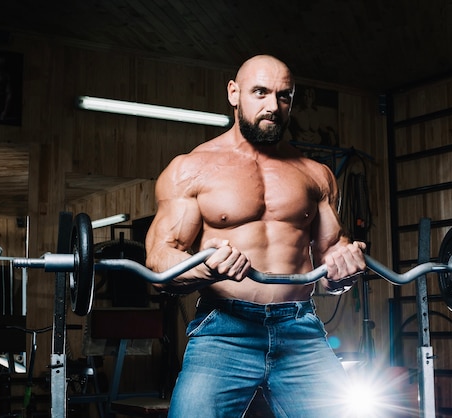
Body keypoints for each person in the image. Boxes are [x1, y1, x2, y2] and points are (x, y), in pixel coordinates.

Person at [145, 54, 367, 418]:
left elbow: (331, 256)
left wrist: (345, 266)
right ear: (234, 93)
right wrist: (206, 268)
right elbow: (160, 258)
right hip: (224, 329)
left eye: (284, 96)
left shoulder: (316, 175)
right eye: (260, 92)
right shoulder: (191, 168)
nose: (273, 106)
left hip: (300, 329)